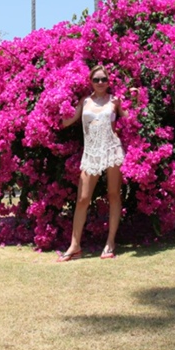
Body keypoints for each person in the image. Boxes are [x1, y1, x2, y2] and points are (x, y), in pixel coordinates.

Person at [57, 64, 126, 261]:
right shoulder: (84, 101)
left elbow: (131, 119)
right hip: (91, 153)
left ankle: (110, 243)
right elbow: (67, 122)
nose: (100, 83)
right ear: (90, 82)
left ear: (108, 81)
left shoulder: (114, 101)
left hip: (112, 150)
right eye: (96, 79)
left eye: (103, 79)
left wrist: (130, 103)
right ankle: (75, 246)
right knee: (82, 199)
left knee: (113, 194)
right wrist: (56, 108)